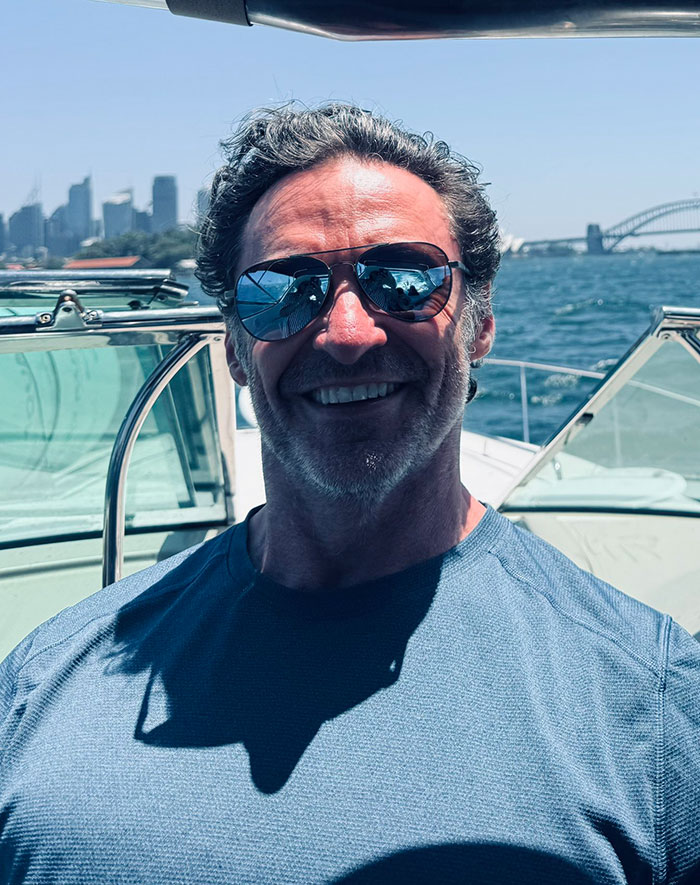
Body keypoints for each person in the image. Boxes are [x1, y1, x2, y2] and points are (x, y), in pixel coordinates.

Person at [1, 104, 698, 885]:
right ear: (233, 346)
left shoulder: (654, 706)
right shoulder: (39, 687)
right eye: (281, 292)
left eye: (405, 280)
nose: (347, 331)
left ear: (480, 325)